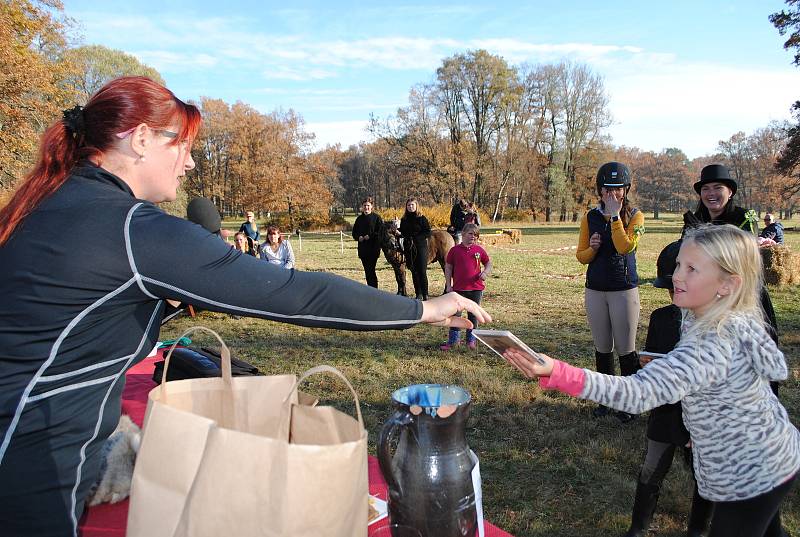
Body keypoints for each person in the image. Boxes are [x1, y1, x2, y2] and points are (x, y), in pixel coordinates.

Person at [0, 76, 490, 537]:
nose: (190, 163)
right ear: (142, 138)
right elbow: (297, 293)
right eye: (184, 146)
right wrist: (422, 309)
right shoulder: (131, 227)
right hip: (31, 456)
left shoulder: (53, 201)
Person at [504, 225, 799, 537]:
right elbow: (729, 390)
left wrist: (557, 372)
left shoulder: (712, 342)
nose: (677, 276)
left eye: (692, 269)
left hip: (750, 474)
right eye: (678, 265)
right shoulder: (717, 315)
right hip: (774, 454)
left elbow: (638, 393)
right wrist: (702, 426)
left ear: (727, 284)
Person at [622, 240, 713, 537]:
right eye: (671, 289)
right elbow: (651, 354)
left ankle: (697, 530)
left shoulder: (715, 324)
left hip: (700, 416)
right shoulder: (661, 317)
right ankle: (638, 527)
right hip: (665, 411)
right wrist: (647, 364)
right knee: (651, 469)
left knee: (704, 476)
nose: (676, 295)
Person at [683, 164, 780, 353]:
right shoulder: (696, 220)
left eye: (717, 187)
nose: (711, 193)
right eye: (705, 189)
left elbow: (742, 260)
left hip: (741, 295)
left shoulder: (743, 218)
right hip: (706, 296)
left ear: (730, 192)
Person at [576, 161, 644, 422]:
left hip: (623, 289)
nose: (612, 194)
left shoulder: (636, 216)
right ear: (600, 190)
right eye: (607, 189)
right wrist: (592, 248)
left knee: (626, 348)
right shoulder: (589, 217)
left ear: (626, 190)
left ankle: (630, 402)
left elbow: (625, 247)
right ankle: (606, 398)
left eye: (618, 189)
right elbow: (581, 256)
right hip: (595, 289)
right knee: (602, 348)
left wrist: (615, 216)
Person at [441, 223, 492, 351]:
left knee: (473, 315)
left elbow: (488, 263)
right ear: (463, 234)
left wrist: (485, 272)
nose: (473, 237)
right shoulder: (454, 250)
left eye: (476, 235)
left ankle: (471, 340)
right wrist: (448, 285)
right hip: (458, 290)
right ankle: (453, 341)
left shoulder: (479, 250)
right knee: (455, 316)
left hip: (476, 289)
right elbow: (448, 267)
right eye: (470, 234)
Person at [400, 197, 432, 301]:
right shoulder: (404, 219)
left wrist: (417, 238)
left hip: (421, 247)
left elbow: (428, 232)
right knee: (414, 271)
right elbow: (404, 232)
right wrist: (397, 232)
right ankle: (418, 293)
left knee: (422, 271)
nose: (410, 207)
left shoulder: (422, 218)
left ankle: (425, 294)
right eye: (408, 205)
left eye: (412, 205)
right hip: (409, 248)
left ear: (416, 206)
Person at [352, 197, 384, 288]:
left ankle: (374, 289)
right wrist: (359, 237)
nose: (366, 207)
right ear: (362, 207)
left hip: (373, 248)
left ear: (371, 206)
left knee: (371, 270)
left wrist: (370, 236)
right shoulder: (359, 219)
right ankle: (370, 289)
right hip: (363, 249)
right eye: (364, 206)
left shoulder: (377, 218)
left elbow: (380, 231)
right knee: (367, 270)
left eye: (368, 206)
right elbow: (354, 233)